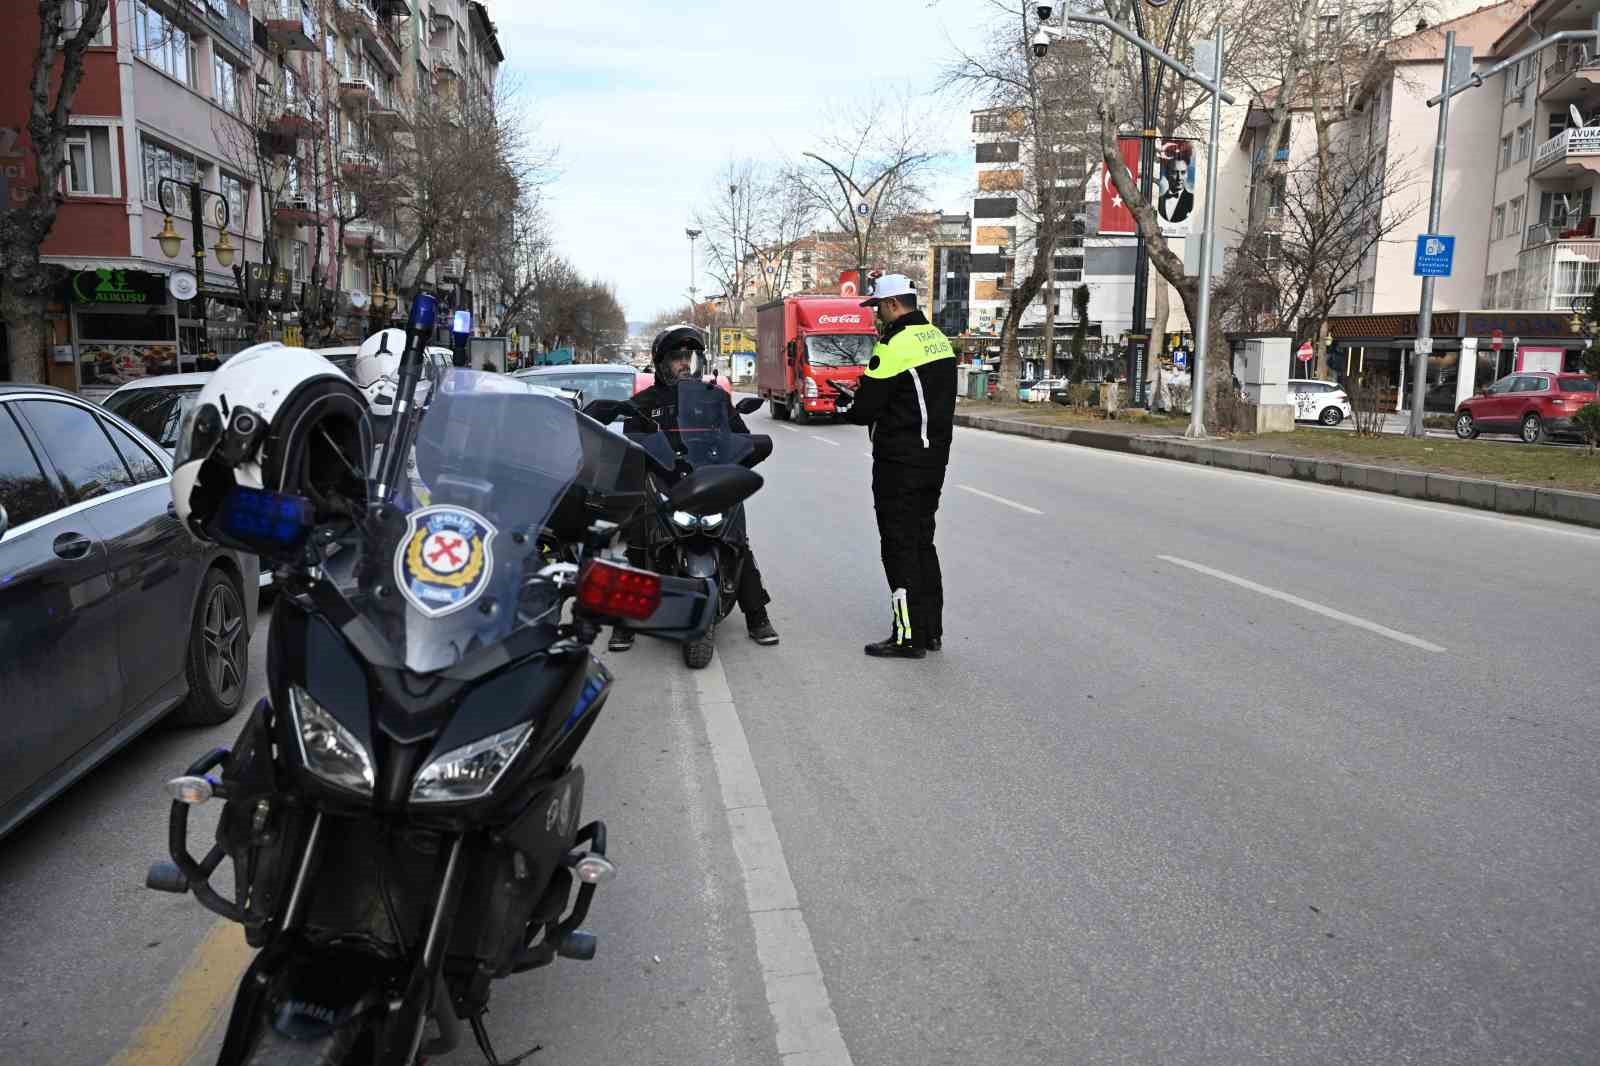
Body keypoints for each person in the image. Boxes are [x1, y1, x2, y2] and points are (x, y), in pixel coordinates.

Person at [608, 324, 780, 651]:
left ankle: (757, 615)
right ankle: (624, 623)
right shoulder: (644, 403)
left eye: (688, 356)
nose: (684, 363)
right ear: (661, 363)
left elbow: (739, 436)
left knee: (736, 541)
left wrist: (746, 452)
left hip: (710, 481)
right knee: (638, 543)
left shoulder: (714, 398)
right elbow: (630, 444)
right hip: (666, 483)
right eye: (677, 357)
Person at [832, 273, 956, 660]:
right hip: (933, 459)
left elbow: (865, 410)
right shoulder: (938, 339)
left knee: (898, 547)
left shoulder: (893, 345)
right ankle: (930, 630)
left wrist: (849, 403)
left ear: (891, 305)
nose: (877, 317)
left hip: (899, 463)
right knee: (922, 542)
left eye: (878, 309)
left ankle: (906, 637)